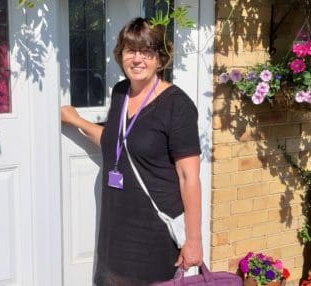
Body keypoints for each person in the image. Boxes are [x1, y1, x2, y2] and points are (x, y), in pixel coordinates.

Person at [61, 17, 203, 286]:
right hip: (115, 226)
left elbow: (189, 177)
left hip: (153, 232)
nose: (137, 59)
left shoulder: (178, 106)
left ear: (160, 59)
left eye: (147, 52)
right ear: (121, 55)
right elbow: (116, 141)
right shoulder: (120, 93)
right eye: (130, 50)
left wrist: (193, 240)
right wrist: (77, 121)